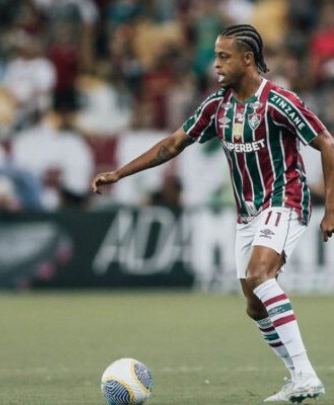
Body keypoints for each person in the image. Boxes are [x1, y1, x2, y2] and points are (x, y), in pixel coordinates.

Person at [92, 24, 334, 403]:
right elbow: (173, 143)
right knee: (255, 307)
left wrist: (331, 207)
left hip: (284, 200)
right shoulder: (217, 104)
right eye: (216, 56)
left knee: (260, 275)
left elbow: (327, 143)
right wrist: (120, 173)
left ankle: (306, 376)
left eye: (224, 56)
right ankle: (297, 377)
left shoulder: (279, 101)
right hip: (248, 212)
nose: (215, 64)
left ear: (248, 58)